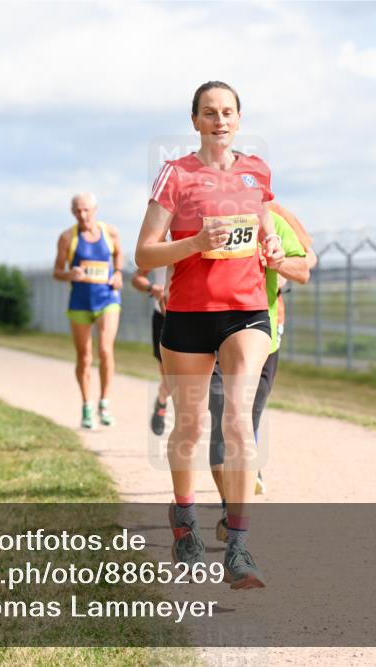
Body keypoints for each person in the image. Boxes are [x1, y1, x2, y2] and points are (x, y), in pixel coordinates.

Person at [135, 81, 284, 589]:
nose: (219, 120)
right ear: (195, 121)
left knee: (239, 423)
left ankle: (239, 547)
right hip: (189, 313)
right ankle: (184, 520)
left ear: (239, 120)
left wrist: (271, 245)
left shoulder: (256, 172)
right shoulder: (176, 176)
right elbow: (145, 254)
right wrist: (196, 242)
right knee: (192, 428)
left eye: (227, 112)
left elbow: (264, 221)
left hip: (246, 311)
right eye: (209, 113)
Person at [210, 204, 315, 539]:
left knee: (246, 414)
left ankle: (237, 502)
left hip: (264, 325)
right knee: (219, 414)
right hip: (211, 328)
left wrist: (279, 264)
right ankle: (232, 503)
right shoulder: (204, 210)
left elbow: (307, 259)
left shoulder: (274, 212)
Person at [53, 193, 123, 429]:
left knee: (105, 349)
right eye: (77, 211)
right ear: (72, 212)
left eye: (86, 210)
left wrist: (119, 273)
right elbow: (57, 271)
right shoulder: (66, 238)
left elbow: (118, 254)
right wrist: (69, 274)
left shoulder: (110, 232)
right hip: (80, 302)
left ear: (95, 209)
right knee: (84, 357)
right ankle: (86, 405)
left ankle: (104, 401)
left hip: (108, 299)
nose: (82, 215)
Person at [131, 265, 170, 435]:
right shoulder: (160, 240)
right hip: (163, 317)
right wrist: (151, 288)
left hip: (198, 315)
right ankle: (161, 402)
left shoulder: (202, 239)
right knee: (171, 380)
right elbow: (137, 278)